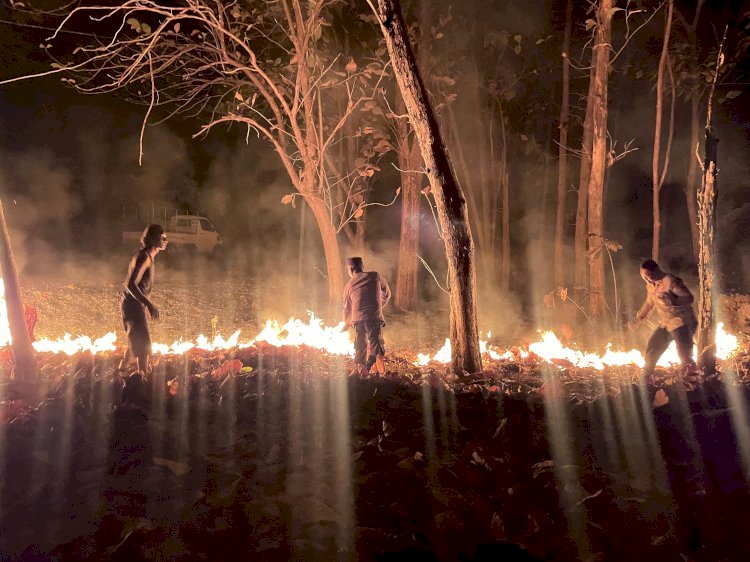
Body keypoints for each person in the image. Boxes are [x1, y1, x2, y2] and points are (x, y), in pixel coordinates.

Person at [628, 259, 697, 378]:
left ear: (656, 270)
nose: (646, 279)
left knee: (685, 356)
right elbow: (649, 303)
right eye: (643, 276)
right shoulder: (650, 285)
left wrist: (674, 300)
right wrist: (638, 318)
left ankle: (694, 383)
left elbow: (688, 298)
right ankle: (646, 378)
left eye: (648, 275)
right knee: (653, 346)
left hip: (682, 323)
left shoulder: (671, 281)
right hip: (666, 324)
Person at [119, 224, 168, 376]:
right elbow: (130, 284)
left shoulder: (148, 257)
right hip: (132, 305)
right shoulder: (144, 257)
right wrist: (149, 304)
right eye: (163, 237)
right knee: (144, 345)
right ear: (154, 239)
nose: (166, 241)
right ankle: (143, 377)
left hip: (133, 304)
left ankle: (121, 370)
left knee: (135, 337)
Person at [343, 257, 391, 375]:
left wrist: (346, 323)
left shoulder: (348, 286)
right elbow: (386, 293)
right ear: (362, 266)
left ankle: (361, 371)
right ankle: (371, 371)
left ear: (350, 269)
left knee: (360, 347)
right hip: (374, 319)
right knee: (376, 347)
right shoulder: (375, 276)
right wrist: (378, 306)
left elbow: (347, 309)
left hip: (358, 321)